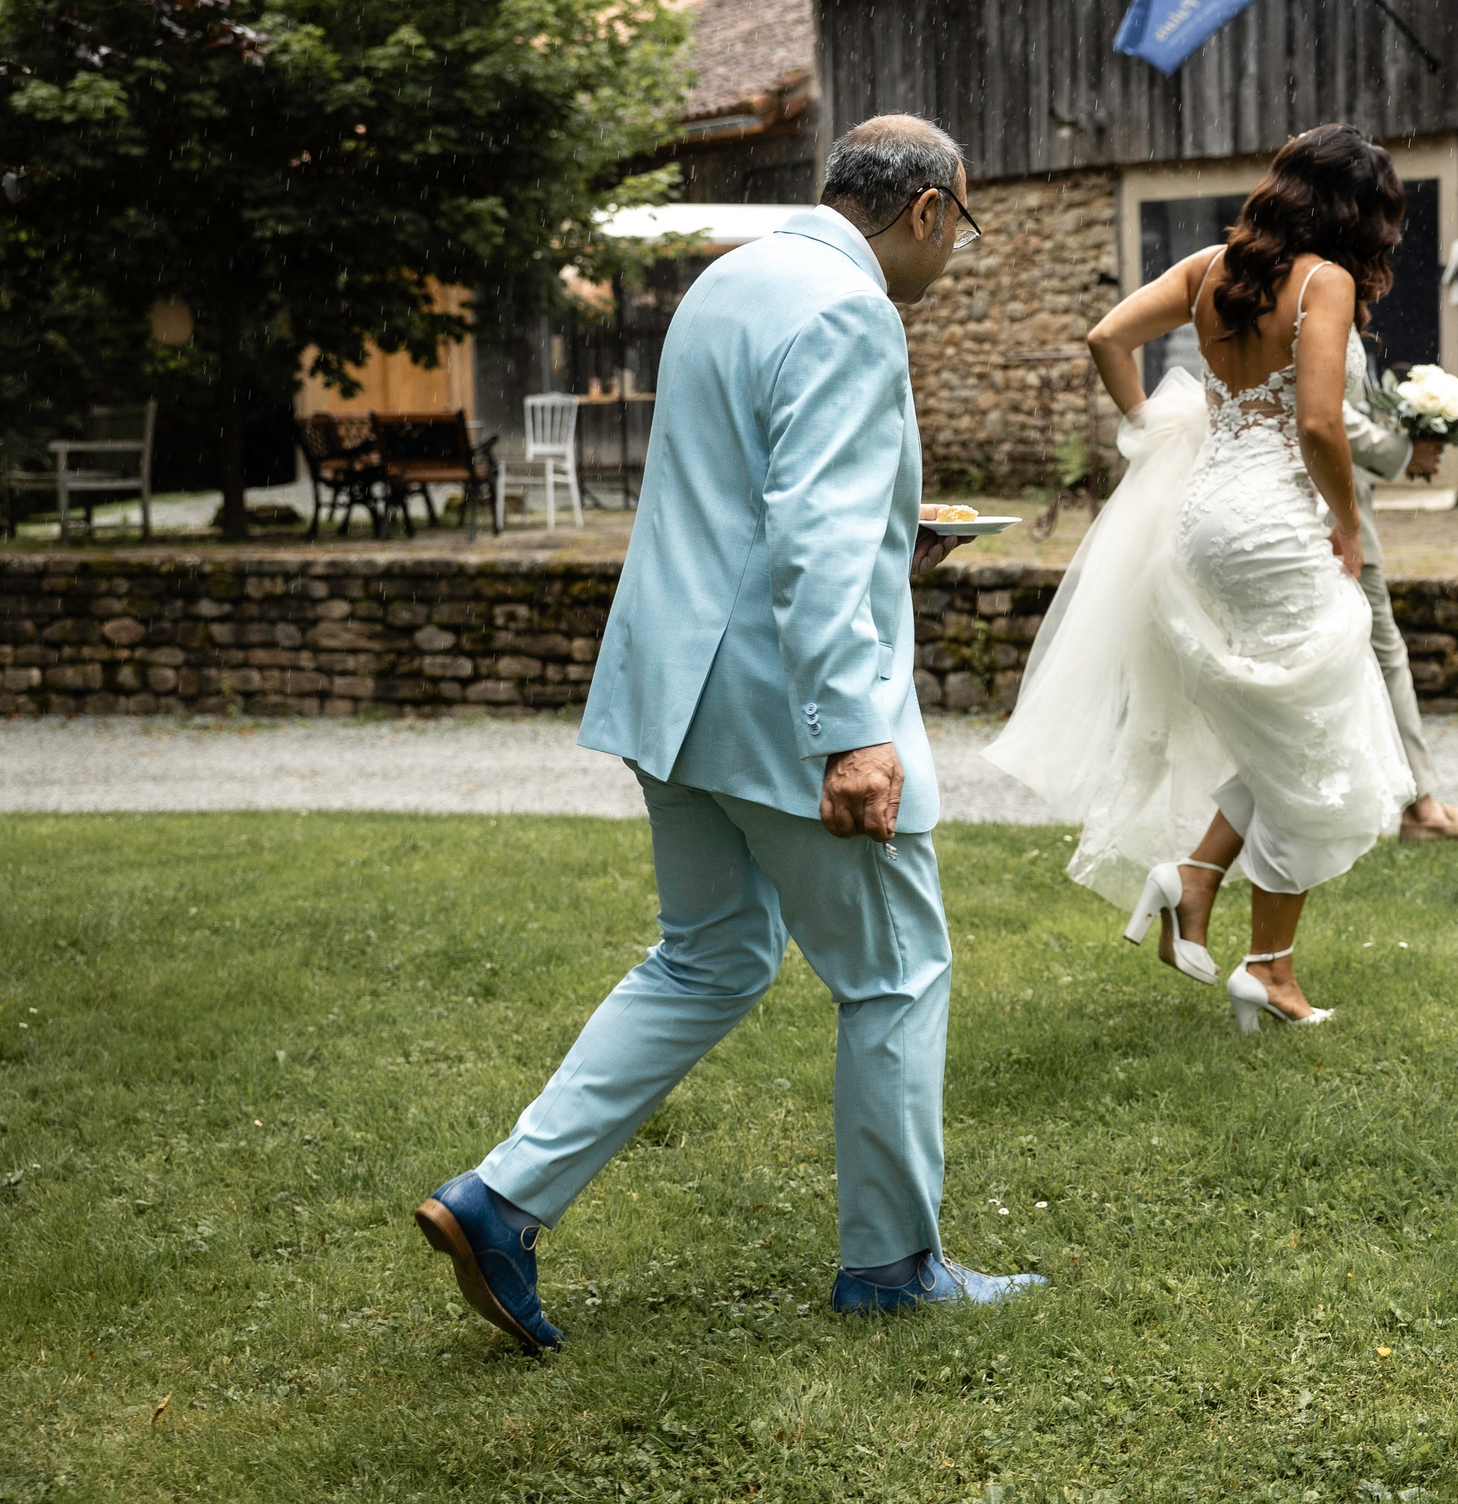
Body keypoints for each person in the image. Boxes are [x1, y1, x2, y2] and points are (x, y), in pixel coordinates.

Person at [412, 115, 1041, 1349]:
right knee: (896, 973)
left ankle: (499, 1200)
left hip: (674, 690)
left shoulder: (731, 279)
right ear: (925, 210)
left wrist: (894, 539)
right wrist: (854, 732)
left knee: (708, 958)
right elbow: (812, 529)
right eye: (961, 224)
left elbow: (748, 485)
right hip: (777, 704)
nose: (954, 248)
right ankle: (893, 1268)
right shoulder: (854, 311)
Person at [983, 125, 1415, 1033]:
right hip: (1272, 528)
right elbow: (1320, 426)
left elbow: (1107, 337)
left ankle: (1194, 875)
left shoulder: (1211, 269)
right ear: (1351, 212)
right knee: (1313, 738)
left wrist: (1153, 429)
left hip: (1201, 518)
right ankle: (1269, 969)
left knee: (1283, 721)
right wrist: (1345, 522)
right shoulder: (1325, 282)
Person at [1342, 354, 1458, 842]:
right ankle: (1420, 806)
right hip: (1329, 511)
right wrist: (1401, 452)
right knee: (1383, 655)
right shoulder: (1313, 306)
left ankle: (1415, 802)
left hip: (1322, 501)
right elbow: (1321, 413)